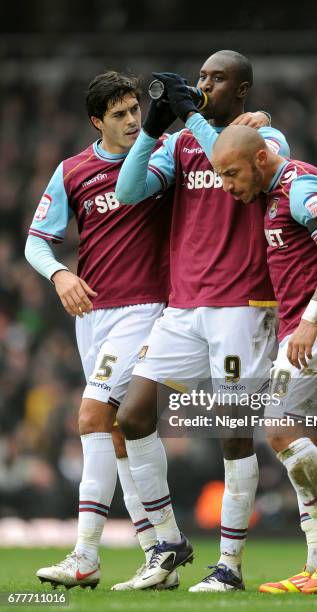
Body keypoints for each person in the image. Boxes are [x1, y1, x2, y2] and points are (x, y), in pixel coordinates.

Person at [114, 50, 290, 592]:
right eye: (201, 78)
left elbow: (229, 156)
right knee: (133, 415)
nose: (204, 84)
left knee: (232, 432)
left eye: (217, 79)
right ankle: (167, 544)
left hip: (242, 305)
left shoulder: (270, 139)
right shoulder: (181, 142)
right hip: (184, 306)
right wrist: (152, 131)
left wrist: (191, 116)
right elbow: (126, 192)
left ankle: (230, 567)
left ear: (241, 90)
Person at [24, 71, 178, 590]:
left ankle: (85, 553)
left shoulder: (161, 155)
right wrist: (60, 273)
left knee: (91, 416)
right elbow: (37, 242)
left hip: (145, 308)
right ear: (97, 121)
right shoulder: (72, 171)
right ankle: (159, 552)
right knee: (115, 436)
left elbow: (215, 140)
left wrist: (259, 122)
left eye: (135, 109)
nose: (133, 120)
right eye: (120, 114)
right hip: (92, 316)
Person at [210, 124, 317, 595]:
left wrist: (311, 316)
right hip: (314, 329)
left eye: (232, 173)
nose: (227, 186)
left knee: (278, 427)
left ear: (261, 160)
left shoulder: (302, 185)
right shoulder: (274, 191)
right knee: (314, 443)